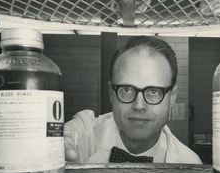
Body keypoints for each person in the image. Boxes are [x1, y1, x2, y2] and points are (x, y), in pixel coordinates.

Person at [65, 36, 202, 164]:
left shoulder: (190, 164)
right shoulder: (89, 135)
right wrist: (65, 141)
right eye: (127, 90)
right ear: (111, 93)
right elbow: (78, 131)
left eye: (154, 92)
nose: (139, 106)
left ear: (172, 97)